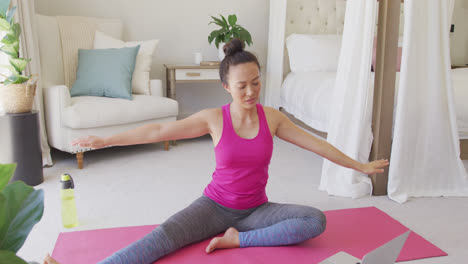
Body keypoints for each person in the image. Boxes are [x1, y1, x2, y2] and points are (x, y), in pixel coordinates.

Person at [44, 38, 389, 264]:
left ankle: (238, 241)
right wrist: (105, 141)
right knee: (162, 237)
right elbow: (159, 129)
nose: (251, 91)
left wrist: (358, 165)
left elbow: (319, 145)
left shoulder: (272, 119)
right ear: (226, 87)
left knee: (314, 220)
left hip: (256, 211)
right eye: (242, 86)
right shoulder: (213, 119)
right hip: (212, 207)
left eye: (256, 82)